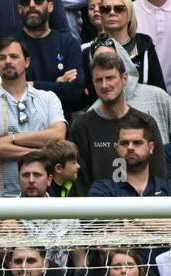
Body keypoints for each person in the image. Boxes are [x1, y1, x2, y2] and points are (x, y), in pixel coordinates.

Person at [0, 37, 68, 197]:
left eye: (14, 56)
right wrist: (39, 153)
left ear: (27, 62)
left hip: (42, 201)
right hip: (0, 202)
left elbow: (58, 136)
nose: (7, 61)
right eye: (2, 58)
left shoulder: (48, 98)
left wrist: (9, 139)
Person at [70, 51, 169, 193]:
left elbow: (159, 178)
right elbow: (80, 183)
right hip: (98, 210)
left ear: (124, 79)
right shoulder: (81, 126)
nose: (104, 85)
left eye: (110, 78)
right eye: (99, 80)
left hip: (145, 211)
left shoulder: (146, 122)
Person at [17, 0, 85, 112]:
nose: (32, 5)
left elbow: (75, 92)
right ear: (20, 9)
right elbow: (13, 92)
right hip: (24, 123)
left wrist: (32, 85)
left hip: (62, 124)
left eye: (38, 1)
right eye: (26, 1)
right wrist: (56, 85)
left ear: (50, 6)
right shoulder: (12, 46)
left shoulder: (68, 43)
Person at [89, 112, 171, 196]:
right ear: (116, 148)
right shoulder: (102, 190)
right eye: (124, 143)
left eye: (137, 142)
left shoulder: (168, 189)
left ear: (151, 147)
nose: (130, 147)